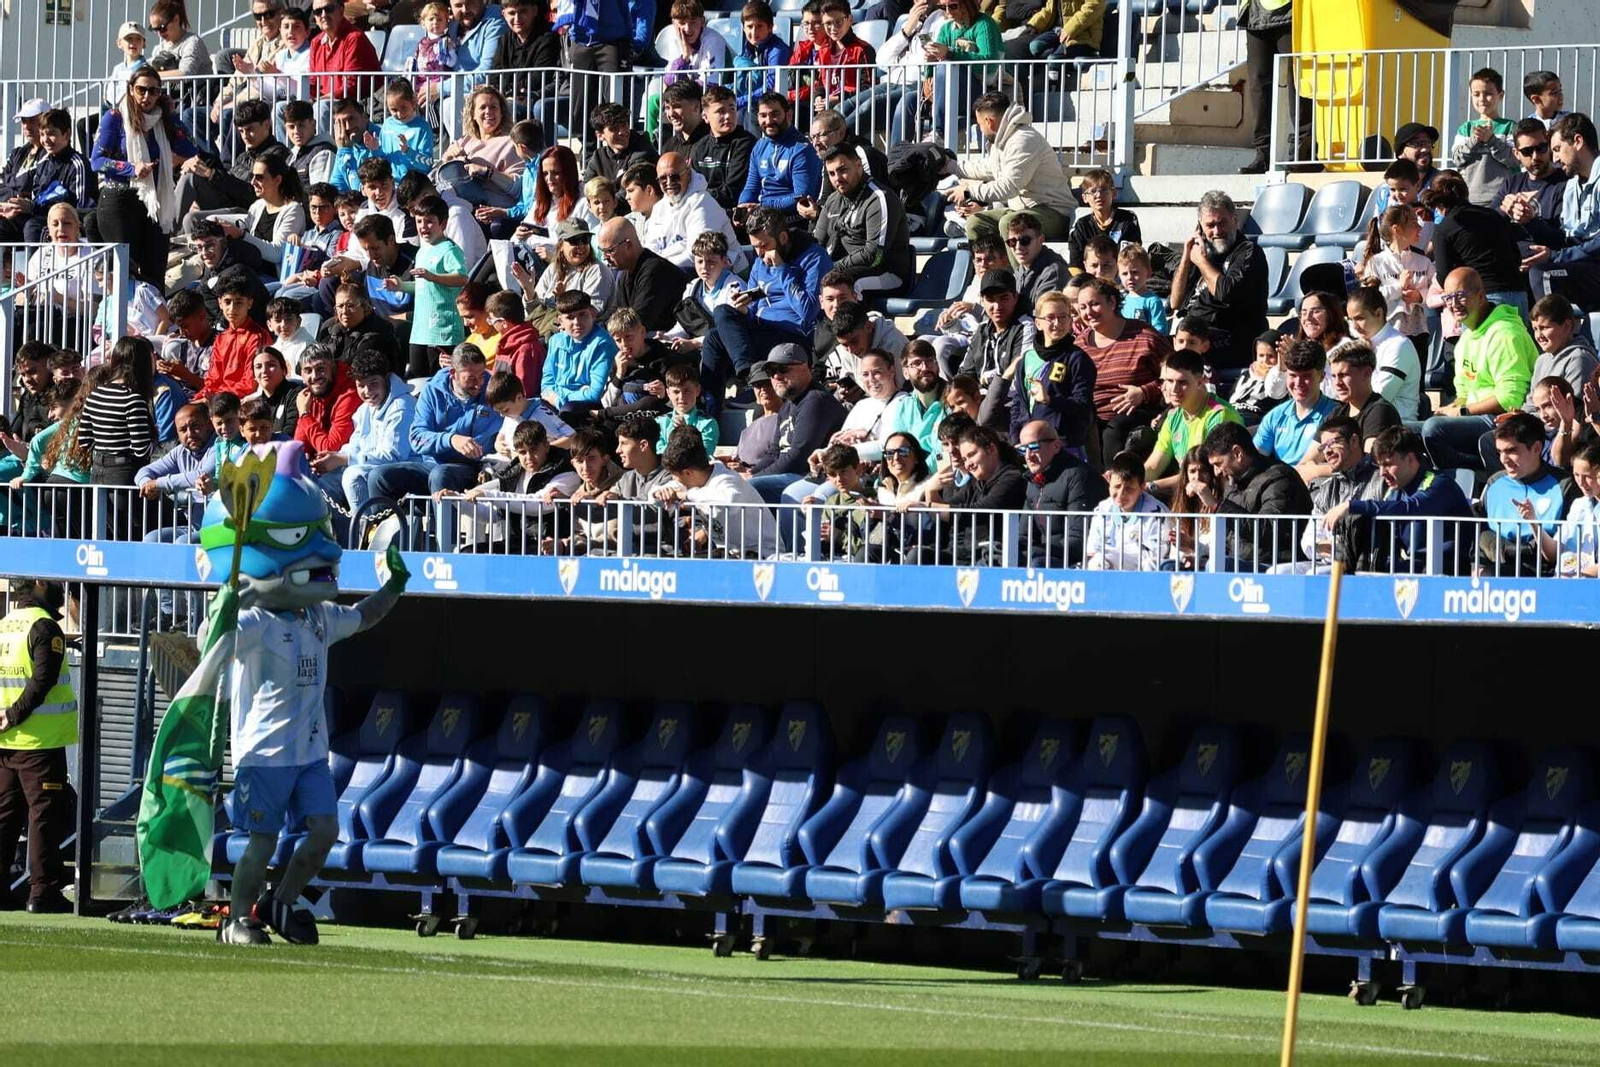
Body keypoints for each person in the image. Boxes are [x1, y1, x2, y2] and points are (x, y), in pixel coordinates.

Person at [699, 208, 831, 414]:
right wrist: (744, 311)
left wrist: (780, 268)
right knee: (719, 323)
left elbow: (807, 311)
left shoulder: (814, 257)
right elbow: (756, 307)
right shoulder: (760, 263)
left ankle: (753, 381)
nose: (760, 253)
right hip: (762, 329)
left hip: (793, 335)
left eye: (764, 245)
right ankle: (709, 411)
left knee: (718, 335)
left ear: (783, 237)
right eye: (755, 247)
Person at [0, 578, 77, 913]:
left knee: (5, 818)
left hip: (5, 742)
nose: (63, 591)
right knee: (44, 817)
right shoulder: (44, 627)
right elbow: (42, 679)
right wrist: (15, 714)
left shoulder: (5, 625)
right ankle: (42, 893)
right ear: (40, 583)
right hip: (38, 742)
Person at [90, 67, 200, 287]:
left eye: (154, 91)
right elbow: (97, 160)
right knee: (125, 272)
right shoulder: (115, 117)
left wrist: (170, 115)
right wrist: (131, 168)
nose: (147, 96)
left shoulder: (163, 120)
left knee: (155, 272)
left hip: (155, 203)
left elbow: (190, 148)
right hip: (119, 200)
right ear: (131, 89)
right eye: (141, 90)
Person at [1422, 267, 1538, 472]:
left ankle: (1462, 487)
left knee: (1434, 429)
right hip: (1475, 415)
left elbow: (1510, 400)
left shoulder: (1505, 334)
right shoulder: (1467, 337)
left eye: (1460, 296)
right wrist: (1451, 408)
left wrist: (1461, 411)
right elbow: (1464, 393)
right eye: (1448, 298)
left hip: (1505, 419)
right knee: (1408, 431)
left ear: (1481, 295)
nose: (1454, 304)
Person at [1168, 191, 1270, 387]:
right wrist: (1187, 255)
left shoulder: (1249, 251)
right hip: (1192, 335)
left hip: (1231, 339)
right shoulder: (1203, 251)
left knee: (1183, 355)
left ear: (1234, 220)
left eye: (1221, 223)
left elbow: (1225, 293)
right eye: (1209, 225)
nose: (1216, 231)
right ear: (1200, 227)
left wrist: (1201, 261)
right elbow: (1175, 301)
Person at [944, 93, 1075, 244]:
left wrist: (968, 191)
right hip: (1022, 210)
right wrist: (950, 166)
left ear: (989, 122)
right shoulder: (1003, 140)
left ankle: (1019, 269)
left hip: (1054, 212)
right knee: (975, 223)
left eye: (980, 125)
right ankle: (988, 267)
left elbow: (1008, 187)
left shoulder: (1024, 140)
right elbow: (987, 168)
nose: (980, 130)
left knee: (1009, 224)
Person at [746, 344, 847, 518]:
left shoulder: (815, 400)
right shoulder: (787, 406)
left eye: (783, 369)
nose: (777, 376)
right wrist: (751, 473)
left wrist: (752, 480)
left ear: (805, 368)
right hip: (790, 474)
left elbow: (798, 455)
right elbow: (773, 453)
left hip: (815, 476)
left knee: (752, 488)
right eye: (771, 372)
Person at [1198, 420, 1313, 570]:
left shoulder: (1279, 478)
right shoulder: (1232, 483)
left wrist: (1217, 506)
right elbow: (1231, 538)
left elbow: (1270, 530)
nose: (1217, 472)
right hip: (1244, 561)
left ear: (1238, 453)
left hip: (1276, 565)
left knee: (1217, 566)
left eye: (1218, 463)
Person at [1076, 278, 1169, 462]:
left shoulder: (1144, 337)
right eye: (1082, 307)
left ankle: (1115, 485)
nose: (1089, 313)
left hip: (1136, 417)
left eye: (1095, 304)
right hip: (1093, 419)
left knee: (1113, 430)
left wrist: (1144, 392)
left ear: (1112, 302)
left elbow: (1176, 377)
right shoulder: (1079, 345)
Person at [1476, 411, 1577, 575]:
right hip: (1499, 572)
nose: (1503, 459)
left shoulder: (1564, 485)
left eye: (1511, 450)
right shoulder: (1494, 483)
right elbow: (1480, 534)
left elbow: (1570, 548)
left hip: (1547, 575)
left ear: (1536, 448)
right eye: (1500, 452)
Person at [653, 428, 778, 559]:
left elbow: (728, 501)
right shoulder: (689, 480)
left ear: (688, 473)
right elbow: (653, 495)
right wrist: (659, 493)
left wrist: (687, 496)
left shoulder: (727, 479)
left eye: (673, 475)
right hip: (729, 554)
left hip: (764, 555)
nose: (673, 480)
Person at [800, 146, 910, 293]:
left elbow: (875, 255)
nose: (837, 178)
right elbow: (816, 242)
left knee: (842, 286)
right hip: (842, 268)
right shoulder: (833, 201)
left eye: (843, 170)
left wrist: (831, 268)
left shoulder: (879, 199)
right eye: (831, 173)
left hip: (887, 273)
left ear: (858, 165)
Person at [1145, 346, 1244, 500]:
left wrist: (1151, 486)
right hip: (1190, 492)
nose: (1174, 389)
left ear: (1200, 382)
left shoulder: (1219, 415)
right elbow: (1153, 466)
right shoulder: (1173, 416)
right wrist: (1128, 480)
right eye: (1169, 381)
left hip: (1218, 496)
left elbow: (1205, 473)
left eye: (1182, 382)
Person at [1422, 172, 1528, 316]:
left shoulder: (1444, 229)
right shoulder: (1493, 215)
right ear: (1465, 192)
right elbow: (1516, 258)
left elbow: (1444, 276)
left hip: (1482, 298)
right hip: (1518, 293)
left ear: (1438, 202)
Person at [1524, 113, 1600, 313]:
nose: (1555, 159)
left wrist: (1557, 256)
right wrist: (1530, 220)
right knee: (1526, 260)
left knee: (1543, 274)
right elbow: (1567, 237)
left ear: (1577, 141)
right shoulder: (1571, 186)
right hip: (1585, 265)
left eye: (1557, 149)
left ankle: (1558, 340)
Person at [924, 424, 1028, 564]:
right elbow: (946, 508)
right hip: (961, 554)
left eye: (971, 455)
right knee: (918, 554)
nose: (967, 465)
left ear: (991, 449)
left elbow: (982, 509)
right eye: (964, 459)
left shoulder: (1013, 476)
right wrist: (930, 490)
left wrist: (925, 505)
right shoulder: (975, 481)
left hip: (991, 556)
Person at [1006, 289, 1095, 448]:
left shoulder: (1077, 359)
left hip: (1063, 444)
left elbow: (1082, 406)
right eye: (1050, 318)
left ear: (1070, 322)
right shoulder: (1026, 360)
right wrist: (1015, 438)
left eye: (1063, 318)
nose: (1057, 323)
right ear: (1038, 323)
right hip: (1029, 444)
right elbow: (1019, 403)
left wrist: (1050, 400)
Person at [1019, 418, 1104, 567]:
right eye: (1022, 449)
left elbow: (1079, 539)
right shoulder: (1033, 481)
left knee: (1036, 563)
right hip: (1047, 553)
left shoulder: (1078, 475)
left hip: (1077, 561)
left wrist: (1037, 551)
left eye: (1033, 446)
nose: (1028, 455)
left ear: (1056, 445)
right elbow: (1025, 536)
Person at [1239, 0, 1310, 174]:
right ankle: (1263, 154)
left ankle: (1304, 152)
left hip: (1294, 10)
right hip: (1256, 12)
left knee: (1297, 80)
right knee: (1258, 85)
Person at [646, 152, 743, 274]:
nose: (669, 182)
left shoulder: (702, 203)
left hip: (724, 271)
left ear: (688, 175)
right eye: (662, 179)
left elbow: (698, 256)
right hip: (673, 268)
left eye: (674, 176)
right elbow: (650, 250)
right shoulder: (659, 208)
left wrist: (661, 267)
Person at [1361, 204, 1434, 358]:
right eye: (1414, 223)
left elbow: (1437, 291)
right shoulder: (1376, 263)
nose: (1420, 228)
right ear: (1397, 229)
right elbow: (1369, 298)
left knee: (1415, 381)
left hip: (1418, 335)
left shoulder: (1423, 262)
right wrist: (1398, 287)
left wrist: (1419, 297)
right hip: (1385, 334)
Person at [436, 83, 525, 209]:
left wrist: (487, 172)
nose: (488, 112)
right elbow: (440, 179)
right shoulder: (464, 141)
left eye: (493, 107)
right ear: (473, 114)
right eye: (482, 107)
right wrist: (448, 159)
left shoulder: (510, 143)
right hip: (460, 205)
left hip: (493, 212)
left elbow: (518, 188)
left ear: (502, 113)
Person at [599, 217, 692, 335]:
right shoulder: (626, 272)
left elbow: (637, 322)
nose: (605, 257)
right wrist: (591, 329)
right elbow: (614, 312)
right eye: (602, 251)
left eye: (610, 250)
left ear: (628, 244)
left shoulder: (655, 271)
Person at [1252, 340, 1338, 466]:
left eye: (1306, 376)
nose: (1298, 383)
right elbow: (1255, 463)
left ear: (1322, 376)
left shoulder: (1335, 414)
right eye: (1293, 375)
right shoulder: (1275, 416)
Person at [1344, 286, 1422, 422]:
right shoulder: (1357, 344)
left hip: (1396, 428)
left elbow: (1380, 396)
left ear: (1379, 313)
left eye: (1359, 318)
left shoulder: (1399, 345)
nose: (1354, 326)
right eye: (1351, 320)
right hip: (1365, 423)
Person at [957, 269, 1035, 403]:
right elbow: (964, 375)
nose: (997, 306)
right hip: (979, 402)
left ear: (1015, 298)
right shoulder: (982, 329)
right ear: (982, 300)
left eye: (1004, 298)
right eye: (990, 300)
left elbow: (1018, 380)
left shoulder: (1025, 327)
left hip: (1011, 404)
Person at [737, 92, 820, 215]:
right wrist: (742, 207)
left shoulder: (801, 149)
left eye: (775, 114)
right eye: (763, 115)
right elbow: (751, 187)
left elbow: (802, 197)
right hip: (762, 213)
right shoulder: (759, 146)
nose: (769, 121)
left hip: (790, 218)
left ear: (789, 115)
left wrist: (762, 205)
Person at [195, 273, 272, 401]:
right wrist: (202, 396)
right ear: (220, 303)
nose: (232, 309)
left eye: (238, 302)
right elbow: (212, 379)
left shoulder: (258, 337)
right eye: (227, 302)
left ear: (249, 303)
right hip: (218, 399)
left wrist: (216, 397)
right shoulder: (221, 338)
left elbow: (250, 384)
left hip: (242, 402)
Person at [1085, 453, 1167, 571]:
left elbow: (1157, 554)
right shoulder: (1102, 510)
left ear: (1142, 487)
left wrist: (1117, 558)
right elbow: (1093, 550)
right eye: (1117, 486)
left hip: (1143, 571)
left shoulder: (1157, 513)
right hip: (1108, 566)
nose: (1121, 494)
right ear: (1109, 482)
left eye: (1129, 488)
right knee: (1097, 562)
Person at [542, 290, 618, 417]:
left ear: (593, 314)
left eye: (582, 315)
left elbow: (595, 393)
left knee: (568, 410)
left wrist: (559, 399)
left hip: (586, 407)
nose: (577, 322)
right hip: (556, 400)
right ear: (560, 321)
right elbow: (546, 384)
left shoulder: (603, 344)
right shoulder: (555, 341)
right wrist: (556, 398)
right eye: (570, 317)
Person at [1450, 67, 1518, 208]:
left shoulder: (1511, 127)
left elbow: (1515, 159)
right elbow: (1457, 159)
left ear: (1501, 95)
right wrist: (1474, 140)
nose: (1481, 99)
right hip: (1469, 198)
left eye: (1488, 93)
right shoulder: (1466, 128)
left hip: (1502, 199)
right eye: (1476, 94)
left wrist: (1491, 140)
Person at [308, 0, 381, 129]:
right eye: (318, 12)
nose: (323, 15)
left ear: (341, 10)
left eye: (328, 9)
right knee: (281, 108)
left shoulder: (354, 38)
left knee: (321, 107)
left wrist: (320, 99)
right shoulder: (316, 42)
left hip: (356, 103)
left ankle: (325, 148)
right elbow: (313, 82)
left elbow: (351, 85)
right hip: (327, 101)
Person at [296, 344, 362, 486]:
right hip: (321, 467)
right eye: (308, 371)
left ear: (332, 368)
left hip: (349, 467)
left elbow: (331, 448)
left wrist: (305, 414)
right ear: (301, 374)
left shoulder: (349, 394)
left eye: (320, 369)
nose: (314, 376)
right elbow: (299, 447)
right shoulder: (309, 395)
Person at [1498, 118, 1568, 248]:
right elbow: (1488, 224)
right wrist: (1505, 210)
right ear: (1517, 154)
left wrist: (1531, 221)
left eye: (1541, 148)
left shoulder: (1565, 184)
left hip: (1545, 262)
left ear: (1549, 146)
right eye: (1527, 151)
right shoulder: (1511, 184)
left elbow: (1563, 239)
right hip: (1510, 260)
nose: (1535, 156)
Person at [1322, 340, 1402, 452]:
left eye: (1343, 375)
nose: (1337, 383)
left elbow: (1368, 464)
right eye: (1334, 376)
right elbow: (1310, 459)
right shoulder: (1336, 415)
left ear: (1367, 373)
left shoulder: (1380, 411)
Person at [691, 84, 757, 214]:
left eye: (732, 109)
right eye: (721, 111)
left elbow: (732, 191)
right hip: (700, 210)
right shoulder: (700, 147)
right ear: (705, 117)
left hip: (732, 214)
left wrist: (698, 196)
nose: (728, 116)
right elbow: (691, 185)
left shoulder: (746, 143)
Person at [1067, 170, 1140, 273]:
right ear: (1084, 198)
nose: (1098, 195)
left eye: (1104, 190)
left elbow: (1131, 259)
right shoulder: (1082, 225)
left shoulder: (1127, 220)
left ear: (1114, 193)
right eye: (1093, 191)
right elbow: (1075, 264)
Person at [732, 1, 792, 123]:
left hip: (774, 103)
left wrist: (741, 100)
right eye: (749, 27)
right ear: (743, 28)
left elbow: (771, 86)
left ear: (770, 27)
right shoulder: (748, 48)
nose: (754, 33)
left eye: (759, 26)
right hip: (756, 100)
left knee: (748, 111)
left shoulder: (778, 51)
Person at [580, 103, 657, 187]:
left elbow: (629, 189)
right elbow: (587, 188)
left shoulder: (643, 149)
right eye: (614, 128)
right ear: (600, 135)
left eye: (624, 125)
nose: (622, 132)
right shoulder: (598, 157)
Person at [1002, 212, 1067, 310]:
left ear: (1040, 240)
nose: (1018, 247)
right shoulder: (1020, 271)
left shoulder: (1054, 272)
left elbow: (1042, 315)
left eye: (1025, 240)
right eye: (1012, 242)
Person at [250, 346, 304, 439]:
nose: (264, 371)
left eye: (271, 365)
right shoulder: (256, 404)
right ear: (254, 375)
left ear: (284, 370)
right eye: (258, 367)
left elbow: (290, 434)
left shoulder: (296, 395)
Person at [659, 80, 712, 159]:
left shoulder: (714, 143)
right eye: (667, 108)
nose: (671, 114)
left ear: (696, 107)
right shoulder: (669, 147)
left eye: (677, 106)